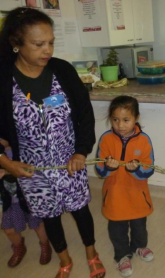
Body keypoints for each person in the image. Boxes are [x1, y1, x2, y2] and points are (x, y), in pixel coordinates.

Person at [0, 7, 105, 278]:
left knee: (81, 211)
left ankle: (92, 254)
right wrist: (5, 163)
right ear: (16, 44)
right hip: (31, 170)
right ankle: (65, 260)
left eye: (50, 43)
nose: (47, 50)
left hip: (70, 161)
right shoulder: (3, 80)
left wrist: (81, 151)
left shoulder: (63, 71)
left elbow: (85, 115)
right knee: (50, 216)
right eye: (38, 44)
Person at [95, 96, 155, 278]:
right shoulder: (106, 139)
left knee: (139, 225)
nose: (120, 125)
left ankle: (139, 246)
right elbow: (99, 168)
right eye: (115, 120)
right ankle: (121, 255)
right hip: (115, 195)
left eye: (126, 120)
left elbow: (149, 168)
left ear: (136, 118)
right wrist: (108, 167)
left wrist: (137, 169)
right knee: (117, 228)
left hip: (137, 194)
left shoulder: (144, 140)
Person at [0, 138, 52, 268]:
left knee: (37, 224)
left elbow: (35, 170)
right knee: (8, 229)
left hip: (29, 197)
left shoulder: (23, 150)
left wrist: (8, 171)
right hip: (9, 200)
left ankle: (45, 244)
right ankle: (19, 246)